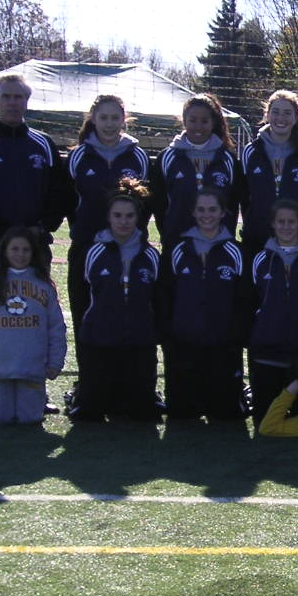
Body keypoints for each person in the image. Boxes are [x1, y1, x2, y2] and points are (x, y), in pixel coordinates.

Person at [0, 71, 69, 417]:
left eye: (18, 97)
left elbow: (59, 194)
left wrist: (40, 229)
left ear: (27, 102)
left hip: (34, 248)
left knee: (34, 316)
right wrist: (3, 237)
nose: (12, 103)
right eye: (6, 96)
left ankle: (35, 385)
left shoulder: (43, 144)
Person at [67, 179, 162, 422]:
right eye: (117, 215)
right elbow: (81, 300)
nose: (123, 221)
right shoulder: (92, 254)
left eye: (129, 216)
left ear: (138, 218)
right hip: (100, 343)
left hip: (139, 344)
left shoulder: (151, 256)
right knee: (90, 414)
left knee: (143, 415)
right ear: (108, 217)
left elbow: (158, 301)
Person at [159, 188, 253, 422]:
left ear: (223, 213)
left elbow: (245, 300)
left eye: (212, 209)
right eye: (201, 209)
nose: (206, 215)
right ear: (193, 212)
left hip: (223, 346)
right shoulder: (178, 250)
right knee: (181, 416)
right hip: (184, 344)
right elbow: (165, 296)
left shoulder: (236, 252)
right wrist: (170, 334)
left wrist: (235, 335)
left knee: (226, 416)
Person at [66, 94, 150, 337]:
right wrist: (85, 232)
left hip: (129, 248)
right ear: (93, 119)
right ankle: (88, 362)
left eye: (115, 118)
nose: (109, 123)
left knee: (127, 313)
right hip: (86, 246)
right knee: (85, 314)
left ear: (124, 119)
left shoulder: (138, 156)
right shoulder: (78, 156)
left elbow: (146, 204)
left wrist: (130, 234)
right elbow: (68, 201)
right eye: (103, 118)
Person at [0, 226, 66, 425]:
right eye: (15, 249)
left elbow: (56, 327)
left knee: (30, 419)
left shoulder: (44, 286)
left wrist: (55, 361)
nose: (20, 254)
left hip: (32, 367)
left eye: (26, 250)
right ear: (4, 251)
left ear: (33, 253)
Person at [248, 198, 298, 423]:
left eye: (291, 221)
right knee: (264, 421)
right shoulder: (260, 259)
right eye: (281, 221)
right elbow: (254, 301)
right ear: (273, 224)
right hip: (268, 349)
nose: (286, 226)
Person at [150, 93, 242, 254]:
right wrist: (169, 236)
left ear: (213, 122)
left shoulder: (228, 159)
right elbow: (159, 205)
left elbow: (233, 205)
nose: (198, 127)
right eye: (193, 120)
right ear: (184, 120)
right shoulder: (167, 158)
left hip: (217, 248)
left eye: (204, 121)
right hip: (176, 246)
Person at [239, 90, 298, 258]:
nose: (281, 118)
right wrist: (253, 222)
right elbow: (244, 196)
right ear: (267, 114)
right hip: (257, 239)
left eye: (287, 113)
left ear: (296, 117)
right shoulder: (251, 151)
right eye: (276, 112)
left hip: (297, 241)